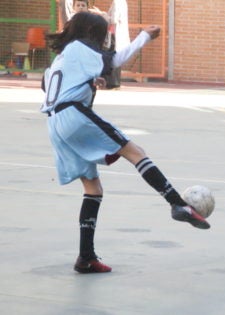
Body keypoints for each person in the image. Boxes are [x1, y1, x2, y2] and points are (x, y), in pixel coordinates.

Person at [41, 12, 210, 274]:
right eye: (103, 33)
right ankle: (178, 203)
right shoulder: (79, 47)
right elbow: (115, 60)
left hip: (54, 123)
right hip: (74, 115)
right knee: (135, 152)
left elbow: (48, 86)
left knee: (93, 188)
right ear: (91, 32)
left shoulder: (62, 57)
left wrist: (88, 81)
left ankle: (85, 258)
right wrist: (145, 36)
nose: (105, 39)